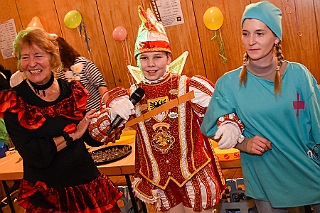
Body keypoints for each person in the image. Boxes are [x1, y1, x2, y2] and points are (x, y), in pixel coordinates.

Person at [89, 6, 244, 213]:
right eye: (144, 58)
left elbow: (220, 109)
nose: (150, 64)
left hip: (194, 173)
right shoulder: (129, 96)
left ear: (169, 58)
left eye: (157, 57)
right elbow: (98, 134)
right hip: (159, 182)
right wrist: (112, 114)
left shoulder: (189, 86)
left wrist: (228, 123)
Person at [201, 1, 320, 212]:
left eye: (260, 33)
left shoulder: (299, 75)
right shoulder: (229, 84)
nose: (251, 41)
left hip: (307, 168)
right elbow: (209, 126)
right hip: (265, 174)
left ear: (276, 37)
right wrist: (243, 143)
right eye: (245, 34)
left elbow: (318, 126)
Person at [0, 27, 123, 213]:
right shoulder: (15, 101)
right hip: (48, 194)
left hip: (87, 184)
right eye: (25, 57)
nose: (32, 63)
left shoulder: (72, 90)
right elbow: (34, 155)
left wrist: (108, 122)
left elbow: (89, 137)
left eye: (38, 55)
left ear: (52, 57)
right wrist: (71, 136)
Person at [55, 36, 108, 110]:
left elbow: (100, 84)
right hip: (83, 117)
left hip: (99, 110)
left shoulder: (82, 63)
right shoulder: (59, 73)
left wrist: (108, 108)